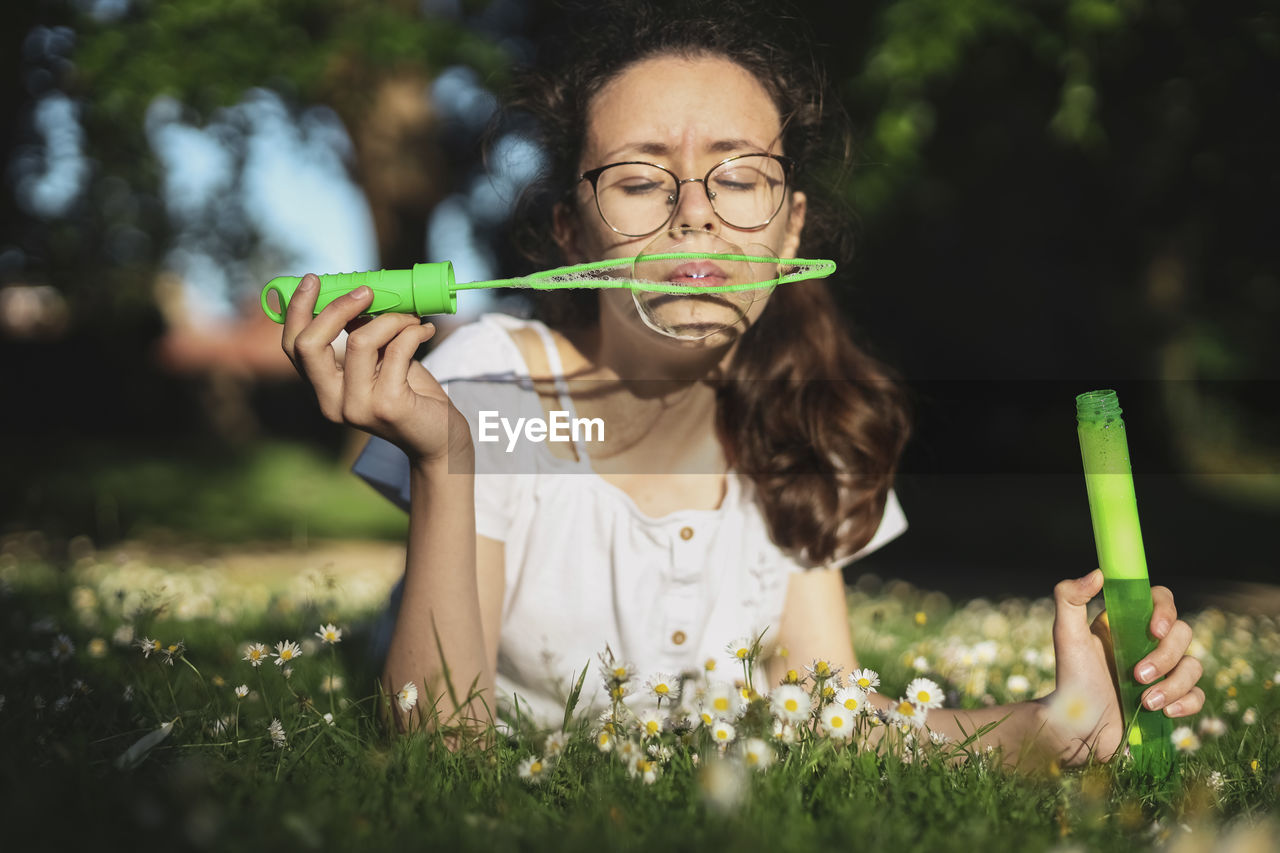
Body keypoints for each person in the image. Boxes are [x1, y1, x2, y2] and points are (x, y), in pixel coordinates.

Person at [279, 1, 1204, 764]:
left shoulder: (798, 428)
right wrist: (449, 463)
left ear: (788, 229)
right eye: (641, 181)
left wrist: (1059, 724)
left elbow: (833, 719)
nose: (695, 217)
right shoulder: (491, 395)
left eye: (739, 177)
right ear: (571, 233)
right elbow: (442, 755)